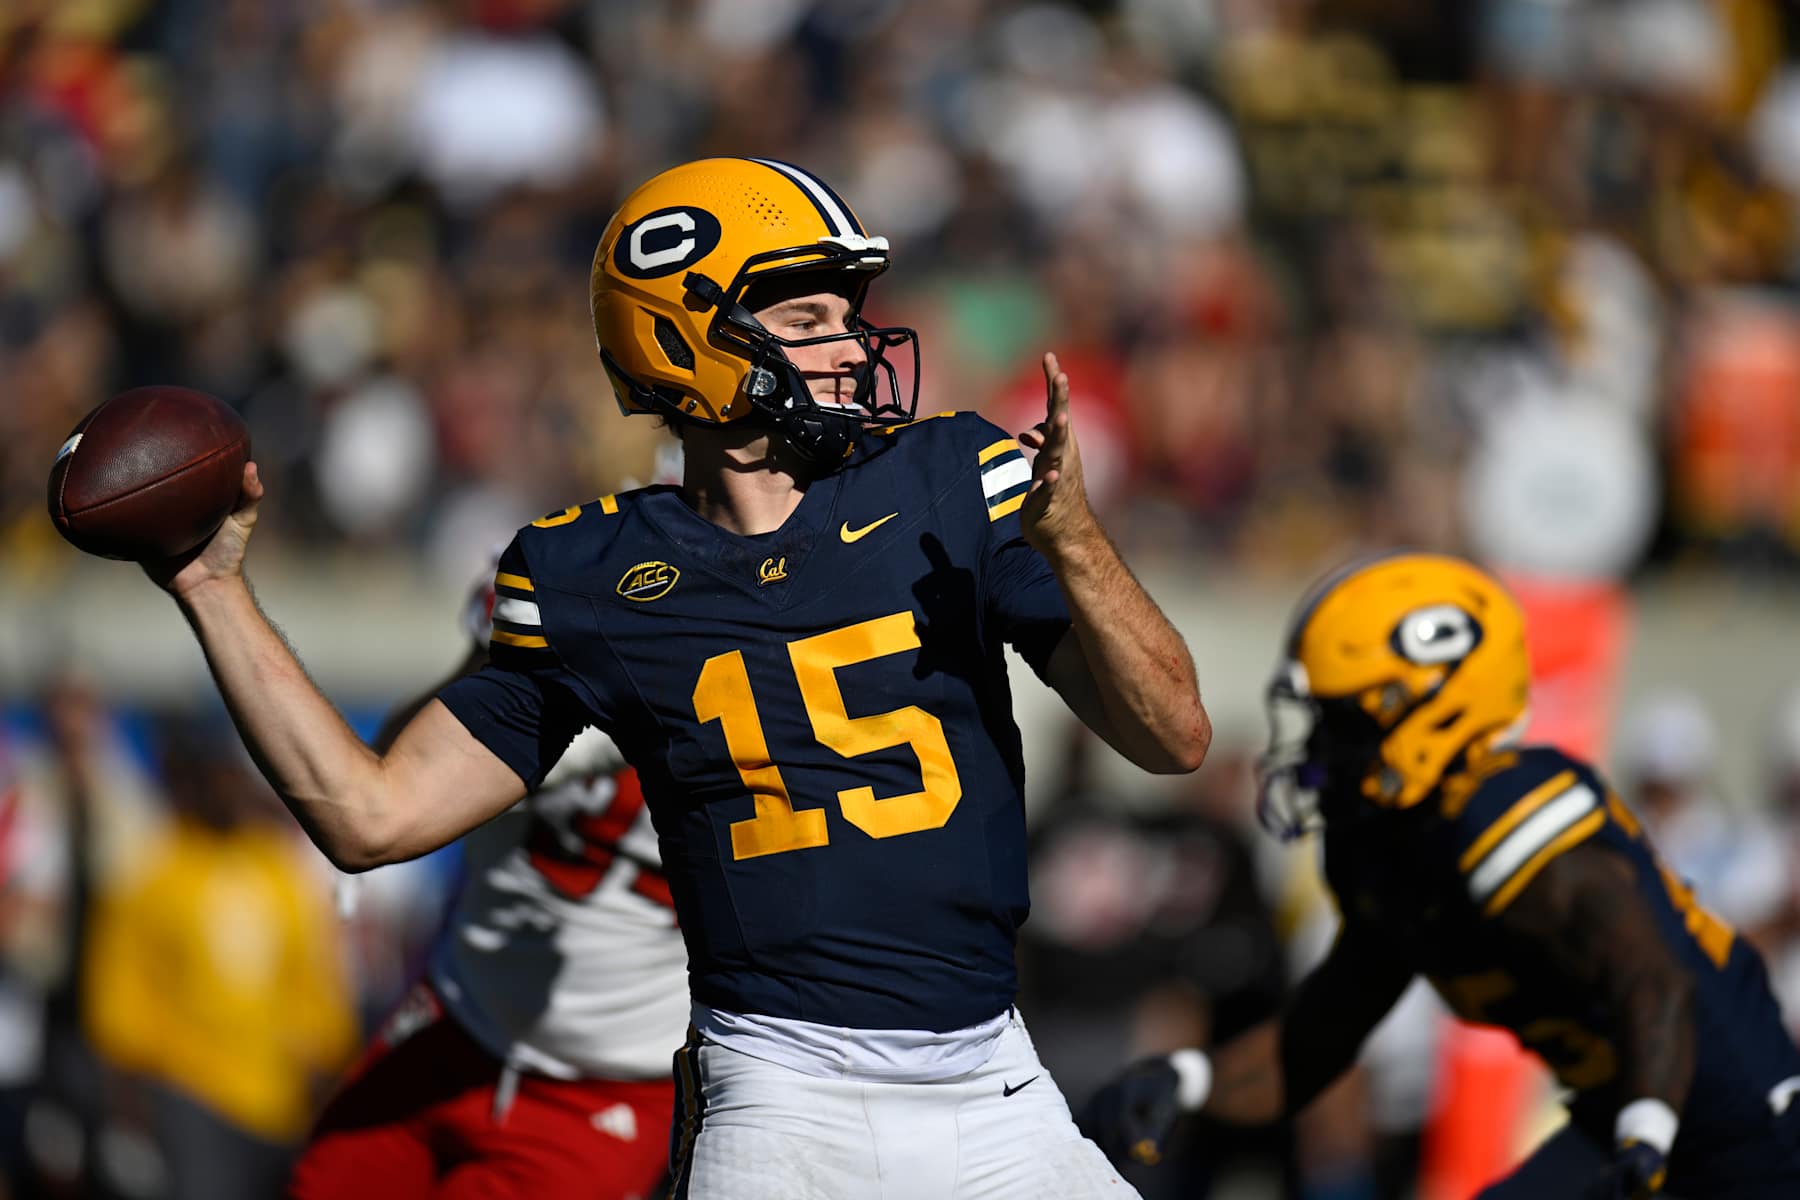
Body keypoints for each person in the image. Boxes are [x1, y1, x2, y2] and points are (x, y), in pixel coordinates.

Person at [141, 156, 1211, 1199]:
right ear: (686, 337)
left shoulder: (947, 483)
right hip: (780, 1099)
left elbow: (1176, 737)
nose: (848, 346)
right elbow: (370, 817)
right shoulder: (591, 576)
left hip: (995, 1086)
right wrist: (213, 589)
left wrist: (1077, 541)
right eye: (805, 322)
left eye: (844, 315)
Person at [1079, 554, 1800, 1199]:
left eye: (1345, 721)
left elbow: (1654, 982)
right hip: (1622, 1118)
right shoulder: (1391, 848)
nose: (1320, 749)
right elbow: (1322, 1032)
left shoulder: (1505, 816)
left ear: (1431, 715)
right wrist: (1188, 1081)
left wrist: (1645, 1138)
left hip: (1741, 1124)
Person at [287, 561, 687, 1199]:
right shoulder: (571, 580)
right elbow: (394, 766)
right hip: (454, 1018)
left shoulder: (761, 695)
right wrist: (494, 656)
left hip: (607, 1086)